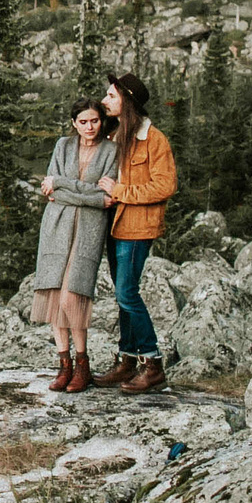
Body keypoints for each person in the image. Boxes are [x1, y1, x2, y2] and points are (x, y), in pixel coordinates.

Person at [93, 71, 177, 393]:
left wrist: (121, 191)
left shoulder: (154, 140)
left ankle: (152, 364)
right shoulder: (116, 137)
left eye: (111, 96)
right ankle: (127, 360)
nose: (105, 101)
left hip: (138, 227)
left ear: (126, 101)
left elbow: (165, 185)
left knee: (127, 293)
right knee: (122, 293)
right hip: (115, 225)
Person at [34, 98, 120, 393]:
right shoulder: (63, 146)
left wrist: (63, 185)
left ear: (101, 121)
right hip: (56, 226)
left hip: (88, 230)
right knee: (55, 298)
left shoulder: (111, 151)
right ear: (74, 123)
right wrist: (91, 197)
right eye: (82, 122)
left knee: (73, 297)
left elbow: (104, 197)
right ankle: (64, 365)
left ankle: (83, 364)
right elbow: (53, 192)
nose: (89, 127)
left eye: (94, 121)